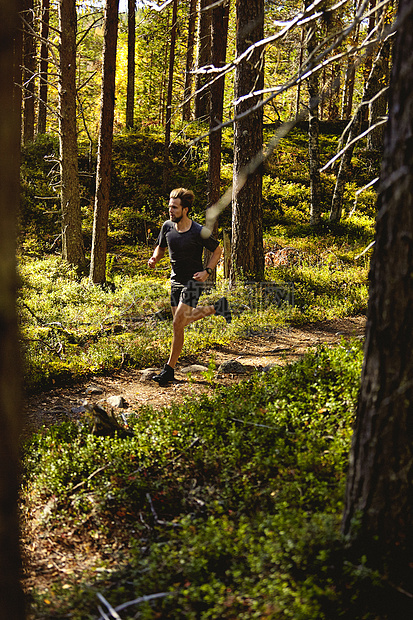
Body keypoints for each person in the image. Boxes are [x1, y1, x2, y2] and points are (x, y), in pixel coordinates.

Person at [148, 187, 231, 386]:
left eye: (175, 208)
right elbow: (160, 247)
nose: (171, 211)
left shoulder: (198, 231)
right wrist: (154, 258)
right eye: (169, 207)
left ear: (185, 209)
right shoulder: (167, 226)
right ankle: (218, 308)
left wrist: (207, 271)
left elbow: (218, 250)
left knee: (178, 322)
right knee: (179, 326)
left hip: (194, 281)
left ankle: (168, 370)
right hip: (175, 281)